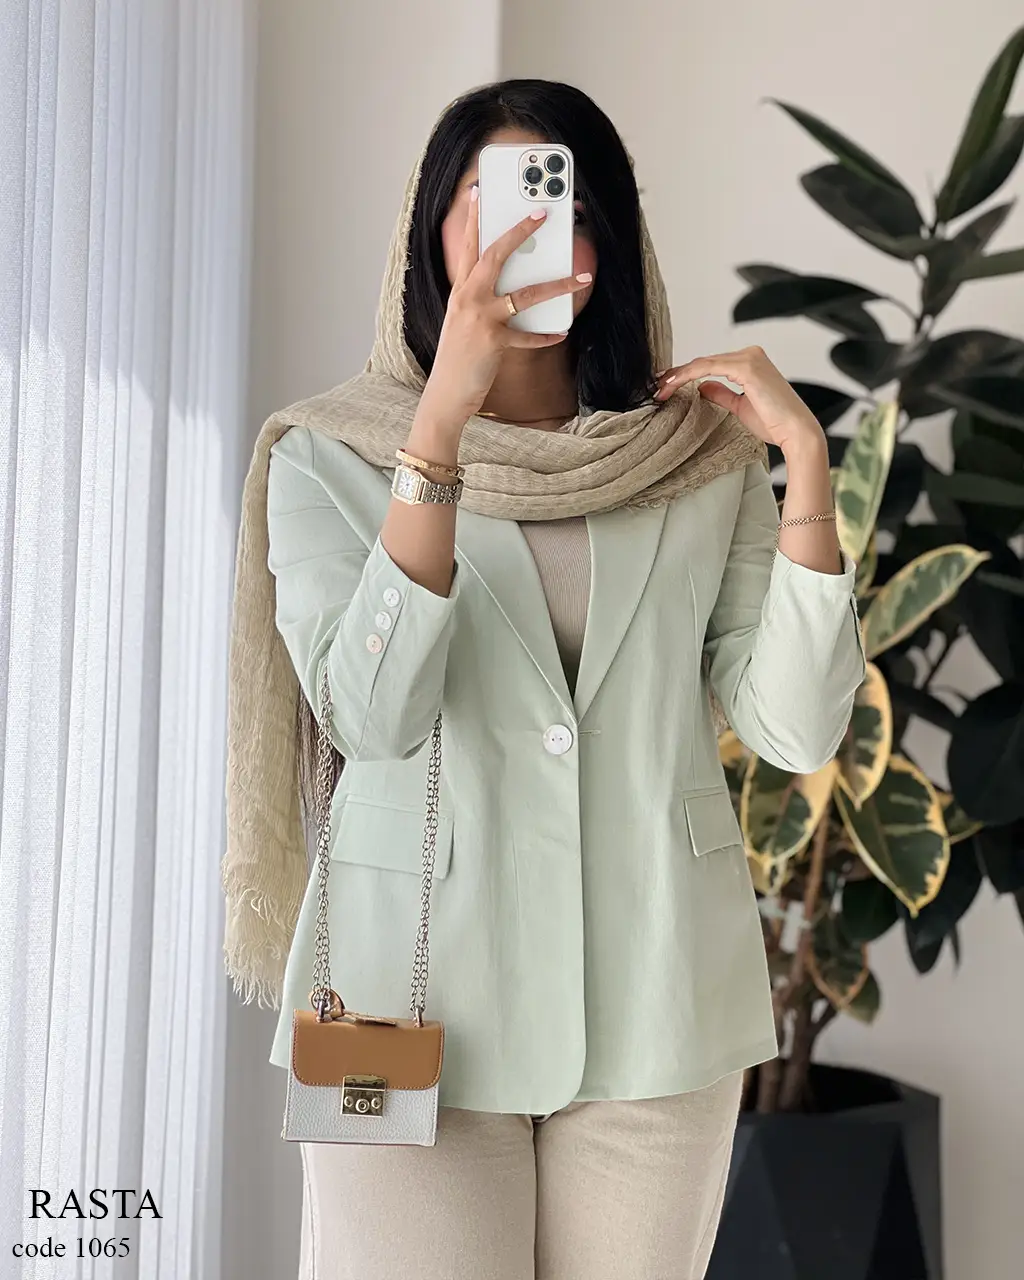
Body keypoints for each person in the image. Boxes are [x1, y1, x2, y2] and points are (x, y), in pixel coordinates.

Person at [222, 79, 866, 1280]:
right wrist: (437, 433)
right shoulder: (329, 455)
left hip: (657, 1009)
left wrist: (805, 467)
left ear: (605, 241)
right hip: (402, 999)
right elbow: (371, 716)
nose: (527, 232)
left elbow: (795, 727)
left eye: (557, 203)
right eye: (492, 200)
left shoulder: (699, 457)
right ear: (429, 232)